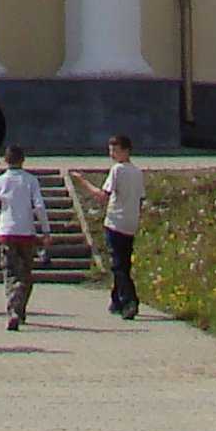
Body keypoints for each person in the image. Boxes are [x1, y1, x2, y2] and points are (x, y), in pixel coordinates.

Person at [0, 143, 49, 332]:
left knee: (9, 271)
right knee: (26, 272)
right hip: (27, 232)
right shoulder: (30, 180)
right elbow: (39, 206)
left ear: (5, 160)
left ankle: (13, 309)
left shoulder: (2, 180)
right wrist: (46, 230)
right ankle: (20, 307)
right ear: (23, 160)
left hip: (7, 232)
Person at [87, 132, 145, 319]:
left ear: (126, 151)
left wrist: (82, 181)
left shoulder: (118, 170)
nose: (112, 154)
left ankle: (130, 301)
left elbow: (103, 195)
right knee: (123, 262)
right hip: (131, 221)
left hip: (115, 222)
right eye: (110, 150)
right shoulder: (137, 172)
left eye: (115, 150)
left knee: (118, 265)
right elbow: (140, 198)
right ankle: (116, 300)